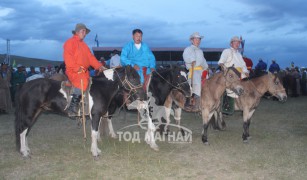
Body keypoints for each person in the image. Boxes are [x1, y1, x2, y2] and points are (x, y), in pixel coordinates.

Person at [63, 23, 106, 115]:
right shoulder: (69, 42)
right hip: (74, 70)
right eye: (83, 31)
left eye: (85, 32)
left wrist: (99, 66)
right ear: (77, 32)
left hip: (84, 71)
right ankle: (73, 106)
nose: (85, 33)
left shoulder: (84, 45)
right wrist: (76, 68)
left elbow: (90, 58)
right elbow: (68, 58)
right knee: (82, 81)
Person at [218, 36, 249, 114]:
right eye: (235, 42)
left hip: (240, 75)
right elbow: (221, 61)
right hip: (230, 75)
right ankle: (227, 107)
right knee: (230, 90)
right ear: (231, 43)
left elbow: (243, 64)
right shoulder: (227, 51)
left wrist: (246, 71)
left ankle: (244, 105)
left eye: (238, 42)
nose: (237, 44)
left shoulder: (238, 54)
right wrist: (222, 65)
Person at [183, 32, 208, 111]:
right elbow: (185, 56)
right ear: (192, 40)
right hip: (194, 70)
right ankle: (195, 103)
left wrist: (206, 67)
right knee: (197, 83)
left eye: (199, 39)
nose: (198, 40)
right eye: (196, 39)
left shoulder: (200, 51)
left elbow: (203, 61)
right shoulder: (188, 49)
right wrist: (191, 60)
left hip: (201, 70)